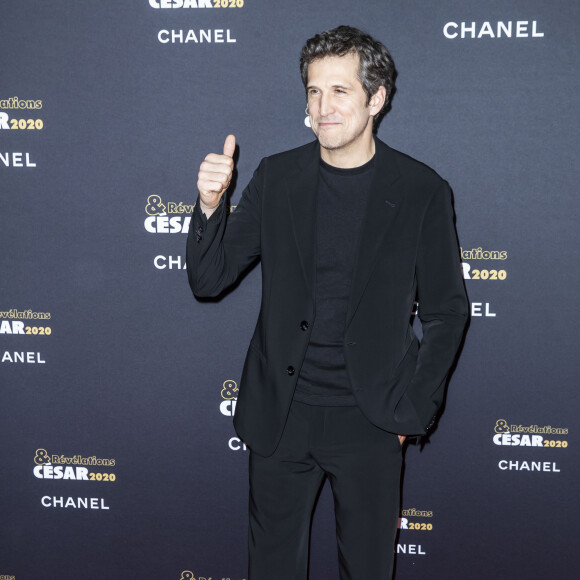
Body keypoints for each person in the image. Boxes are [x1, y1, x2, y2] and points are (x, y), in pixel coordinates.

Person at [187, 25, 468, 580]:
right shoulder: (278, 176)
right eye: (314, 92)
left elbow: (447, 311)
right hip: (280, 417)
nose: (323, 107)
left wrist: (412, 408)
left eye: (340, 91)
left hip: (370, 421)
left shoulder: (420, 190)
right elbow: (209, 279)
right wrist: (208, 204)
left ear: (377, 98)